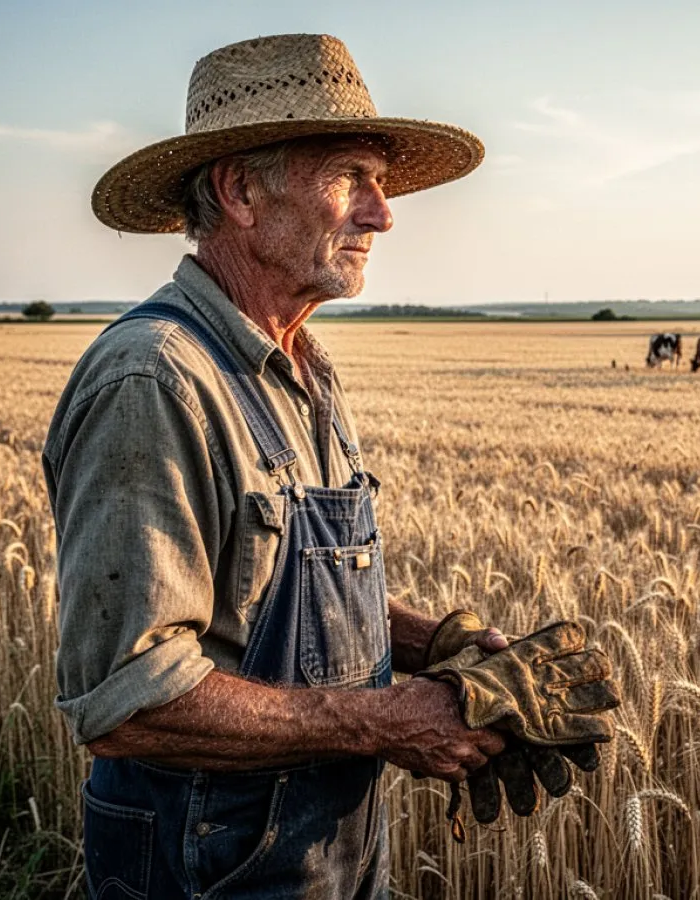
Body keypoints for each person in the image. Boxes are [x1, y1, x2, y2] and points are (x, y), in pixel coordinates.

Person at [44, 34, 509, 899]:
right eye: (350, 177)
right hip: (207, 868)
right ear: (240, 192)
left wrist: (435, 644)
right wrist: (384, 722)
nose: (382, 215)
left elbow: (267, 597)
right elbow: (128, 698)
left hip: (330, 859)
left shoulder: (304, 369)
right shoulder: (156, 380)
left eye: (381, 182)